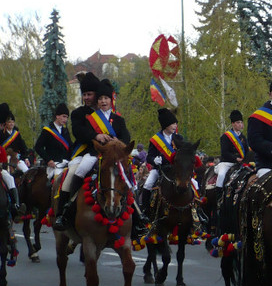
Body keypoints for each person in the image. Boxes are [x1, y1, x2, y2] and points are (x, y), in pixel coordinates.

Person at [54, 76, 135, 231]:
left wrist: (120, 142)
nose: (87, 98)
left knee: (129, 175)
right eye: (84, 94)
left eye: (90, 94)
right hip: (87, 151)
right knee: (73, 173)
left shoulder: (113, 116)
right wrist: (95, 136)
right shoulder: (80, 113)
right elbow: (78, 131)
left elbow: (125, 134)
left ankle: (137, 216)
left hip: (111, 155)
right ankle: (63, 212)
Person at [141, 108, 179, 214]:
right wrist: (154, 160)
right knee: (147, 185)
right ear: (166, 125)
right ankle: (145, 211)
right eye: (173, 124)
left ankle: (196, 210)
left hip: (175, 170)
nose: (175, 126)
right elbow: (149, 157)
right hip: (159, 169)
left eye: (176, 124)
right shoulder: (155, 139)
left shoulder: (178, 138)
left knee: (193, 183)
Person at [214, 109, 251, 200]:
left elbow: (246, 151)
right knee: (222, 175)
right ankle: (218, 195)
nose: (240, 125)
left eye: (241, 122)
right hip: (227, 163)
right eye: (238, 122)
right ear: (233, 124)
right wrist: (236, 159)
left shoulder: (243, 137)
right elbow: (225, 152)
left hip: (241, 163)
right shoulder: (225, 136)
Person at [34, 102, 73, 181]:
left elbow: (70, 146)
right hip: (54, 164)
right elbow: (38, 147)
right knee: (58, 179)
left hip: (66, 162)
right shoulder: (47, 130)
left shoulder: (65, 130)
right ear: (57, 116)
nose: (65, 119)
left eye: (67, 117)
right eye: (63, 116)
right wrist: (48, 160)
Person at [0, 103, 30, 174]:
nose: (11, 124)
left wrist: (25, 157)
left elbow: (22, 146)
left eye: (13, 122)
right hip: (4, 159)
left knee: (26, 171)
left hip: (16, 158)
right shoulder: (1, 133)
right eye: (9, 122)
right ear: (6, 123)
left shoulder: (16, 133)